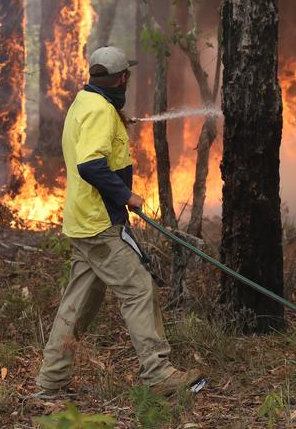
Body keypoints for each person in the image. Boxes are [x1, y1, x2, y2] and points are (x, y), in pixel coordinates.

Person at [35, 46, 202, 397]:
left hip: (83, 220)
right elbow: (91, 165)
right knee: (139, 288)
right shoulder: (99, 111)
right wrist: (126, 196)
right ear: (122, 78)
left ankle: (51, 380)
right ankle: (158, 374)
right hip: (100, 223)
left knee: (78, 302)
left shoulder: (85, 102)